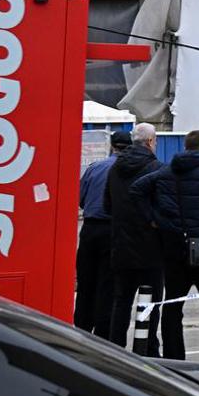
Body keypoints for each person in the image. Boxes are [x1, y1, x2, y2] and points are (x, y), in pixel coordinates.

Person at [131, 128, 199, 362]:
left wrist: (154, 220)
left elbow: (136, 189)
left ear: (185, 147)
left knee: (173, 306)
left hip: (174, 247)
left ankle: (174, 360)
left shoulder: (166, 170)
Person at [105, 123, 164, 353]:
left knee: (121, 301)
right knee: (151, 303)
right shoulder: (157, 169)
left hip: (121, 246)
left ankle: (116, 349)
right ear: (150, 142)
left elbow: (107, 205)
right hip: (151, 248)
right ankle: (148, 348)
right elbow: (163, 208)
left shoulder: (115, 169)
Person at [74, 130, 128, 337]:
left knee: (86, 282)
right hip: (114, 230)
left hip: (90, 230)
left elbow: (80, 199)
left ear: (111, 146)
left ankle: (81, 329)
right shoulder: (127, 170)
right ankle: (102, 334)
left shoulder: (94, 168)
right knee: (108, 285)